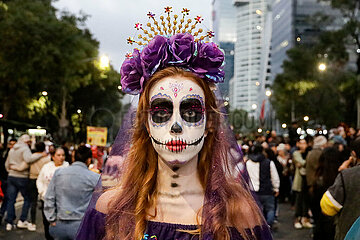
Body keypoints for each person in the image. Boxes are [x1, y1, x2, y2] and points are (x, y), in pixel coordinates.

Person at [76, 7, 272, 240]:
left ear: (210, 123)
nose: (176, 125)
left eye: (191, 111)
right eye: (161, 111)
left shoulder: (239, 214)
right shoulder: (111, 209)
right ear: (146, 124)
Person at [44, 145, 99, 240]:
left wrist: (51, 219)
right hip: (82, 225)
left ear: (74, 157)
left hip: (59, 224)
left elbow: (49, 197)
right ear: (89, 160)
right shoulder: (95, 177)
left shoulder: (59, 173)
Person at [320, 137, 360, 240]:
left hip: (350, 234)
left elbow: (327, 208)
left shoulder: (347, 175)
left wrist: (342, 174)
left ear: (354, 154)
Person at [4, 134, 44, 231]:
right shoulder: (25, 149)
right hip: (22, 177)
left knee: (11, 200)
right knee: (27, 199)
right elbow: (28, 159)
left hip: (11, 176)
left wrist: (11, 170)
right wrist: (40, 155)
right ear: (26, 142)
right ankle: (22, 219)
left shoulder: (12, 149)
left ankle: (9, 222)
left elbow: (6, 164)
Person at [37, 147, 69, 240]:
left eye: (63, 155)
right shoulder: (46, 167)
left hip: (61, 203)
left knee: (59, 226)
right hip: (46, 200)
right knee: (47, 224)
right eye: (58, 155)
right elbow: (39, 180)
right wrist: (42, 192)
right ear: (53, 156)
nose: (61, 157)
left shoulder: (67, 167)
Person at [246, 144, 280, 228]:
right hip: (267, 190)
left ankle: (258, 228)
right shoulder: (269, 162)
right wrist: (276, 188)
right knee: (270, 209)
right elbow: (274, 177)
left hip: (253, 191)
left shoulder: (248, 163)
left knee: (255, 212)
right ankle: (268, 226)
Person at [292, 138, 312, 229]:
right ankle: (297, 219)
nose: (303, 145)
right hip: (300, 180)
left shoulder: (309, 153)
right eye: (301, 143)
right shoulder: (296, 153)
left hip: (308, 180)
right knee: (299, 201)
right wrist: (308, 163)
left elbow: (303, 164)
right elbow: (302, 162)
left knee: (307, 201)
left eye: (304, 143)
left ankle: (305, 219)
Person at [0, 138, 16, 224]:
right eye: (11, 144)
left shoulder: (16, 153)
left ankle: (5, 214)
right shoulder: (5, 153)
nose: (12, 146)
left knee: (9, 198)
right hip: (4, 178)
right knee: (8, 198)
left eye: (14, 144)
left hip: (11, 178)